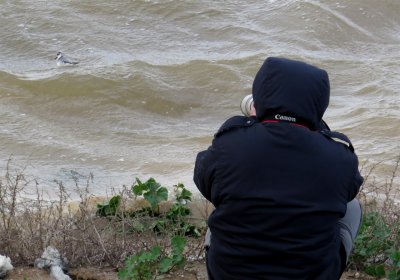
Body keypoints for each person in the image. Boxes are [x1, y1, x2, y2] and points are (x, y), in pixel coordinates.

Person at [193, 57, 363, 279]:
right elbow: (349, 190)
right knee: (352, 206)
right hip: (313, 275)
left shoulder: (229, 145)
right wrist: (318, 132)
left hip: (229, 275)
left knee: (224, 200)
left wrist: (251, 124)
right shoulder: (340, 157)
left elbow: (203, 178)